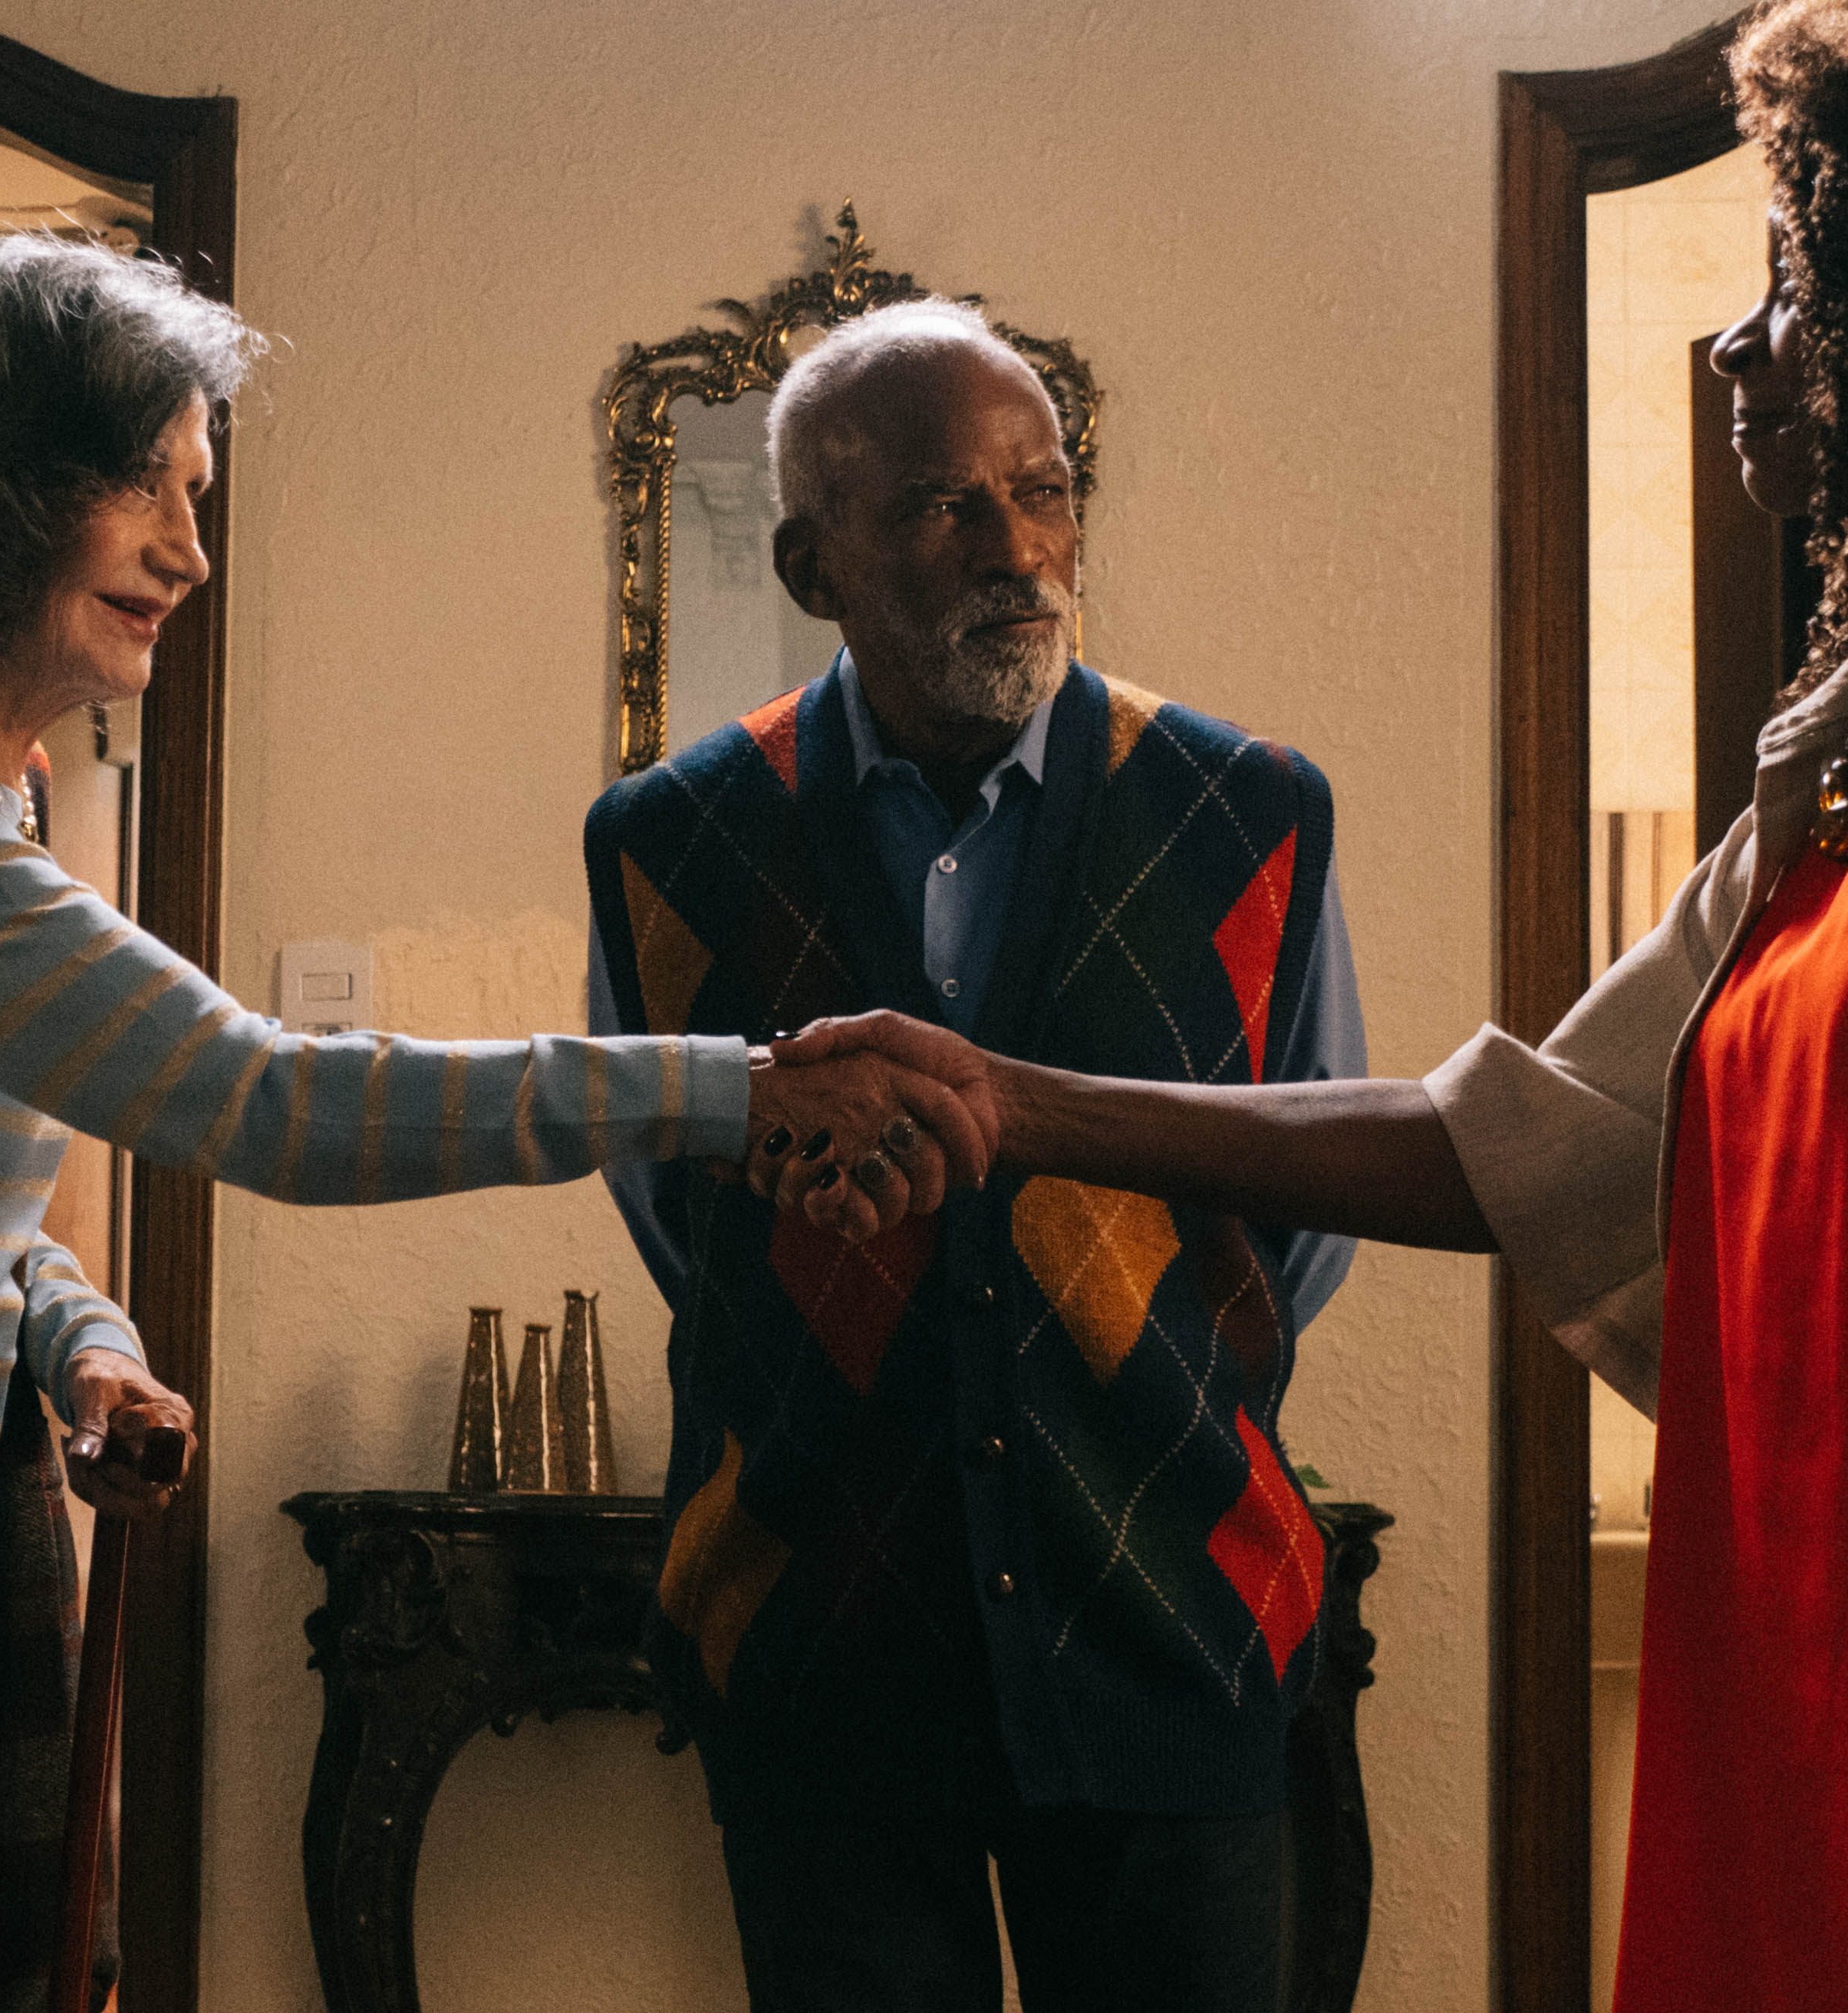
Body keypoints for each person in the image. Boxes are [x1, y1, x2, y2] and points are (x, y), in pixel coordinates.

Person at [771, 4, 1848, 2009]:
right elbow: (1521, 1140)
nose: (1741, 347)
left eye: (1799, 286)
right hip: (1825, 1703)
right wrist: (1010, 1102)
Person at [0, 236, 984, 2013]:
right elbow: (260, 1098)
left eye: (195, 493)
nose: (189, 550)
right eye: (144, 485)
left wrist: (86, 1349)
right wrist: (738, 1087)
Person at [584, 298, 1367, 2011]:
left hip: (1167, 1622)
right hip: (818, 1644)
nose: (1016, 549)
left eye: (1043, 490)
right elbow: (678, 1208)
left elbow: (1306, 1187)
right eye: (946, 504)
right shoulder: (670, 840)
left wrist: (1142, 1361)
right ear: (811, 565)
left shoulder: (1248, 812)